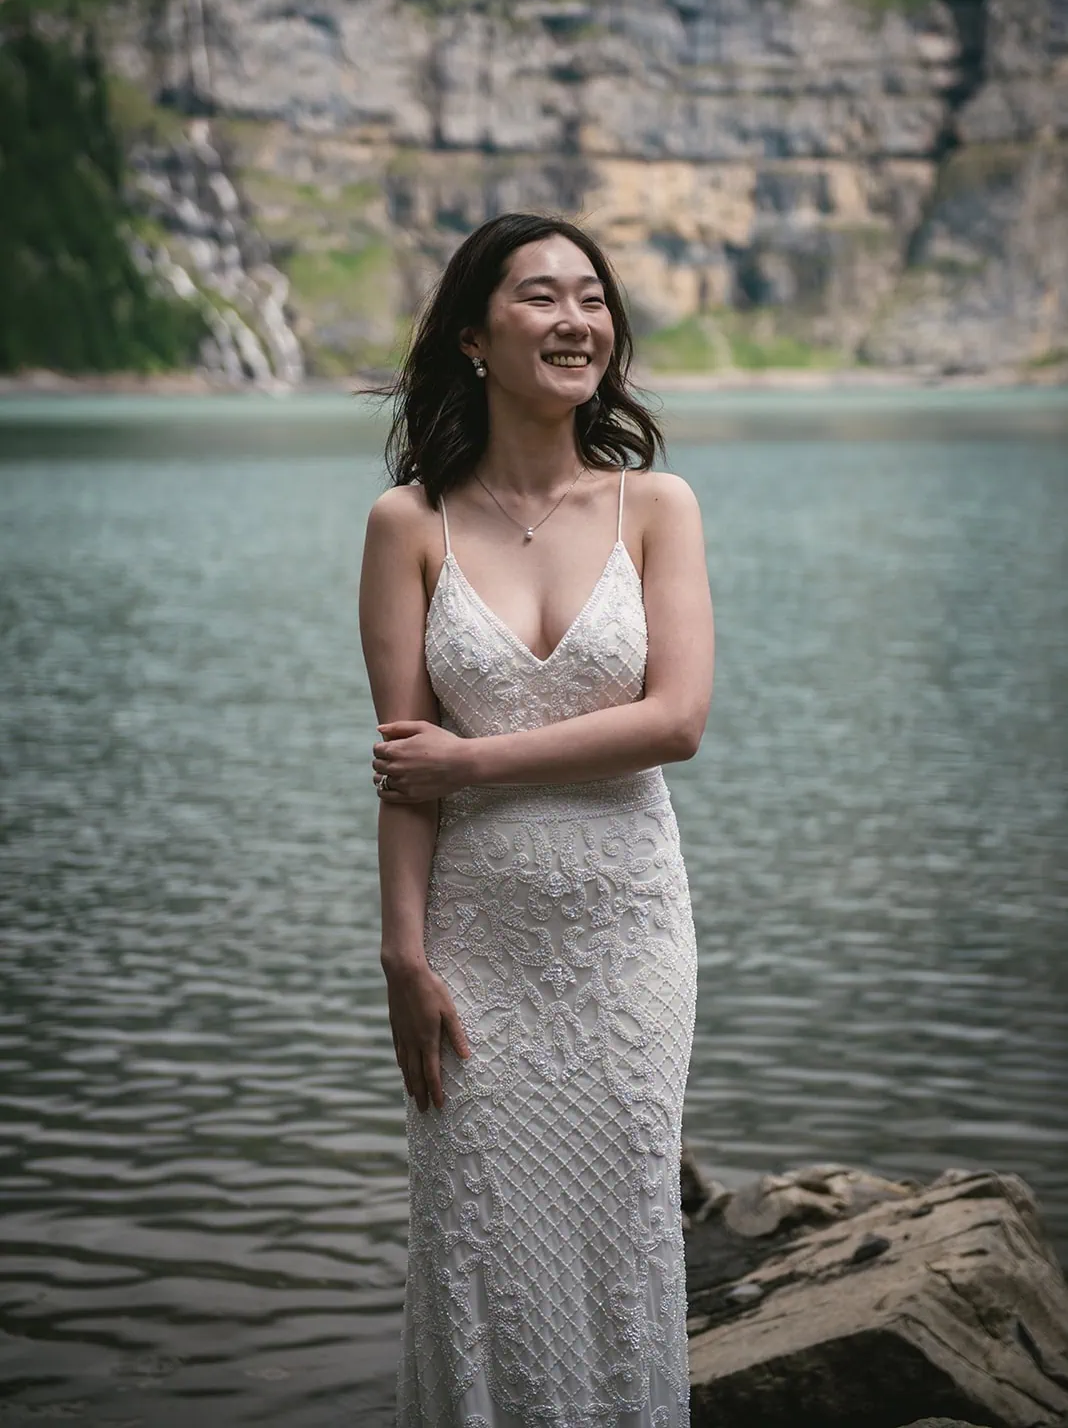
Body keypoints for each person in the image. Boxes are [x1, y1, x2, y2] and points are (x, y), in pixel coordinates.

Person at [359, 213, 715, 1428]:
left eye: (595, 300)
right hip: (476, 948)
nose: (578, 321)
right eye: (542, 298)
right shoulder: (408, 526)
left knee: (621, 1237)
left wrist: (475, 758)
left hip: (630, 942)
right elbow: (409, 771)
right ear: (473, 334)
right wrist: (403, 956)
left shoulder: (656, 505)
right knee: (474, 1245)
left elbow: (677, 722)